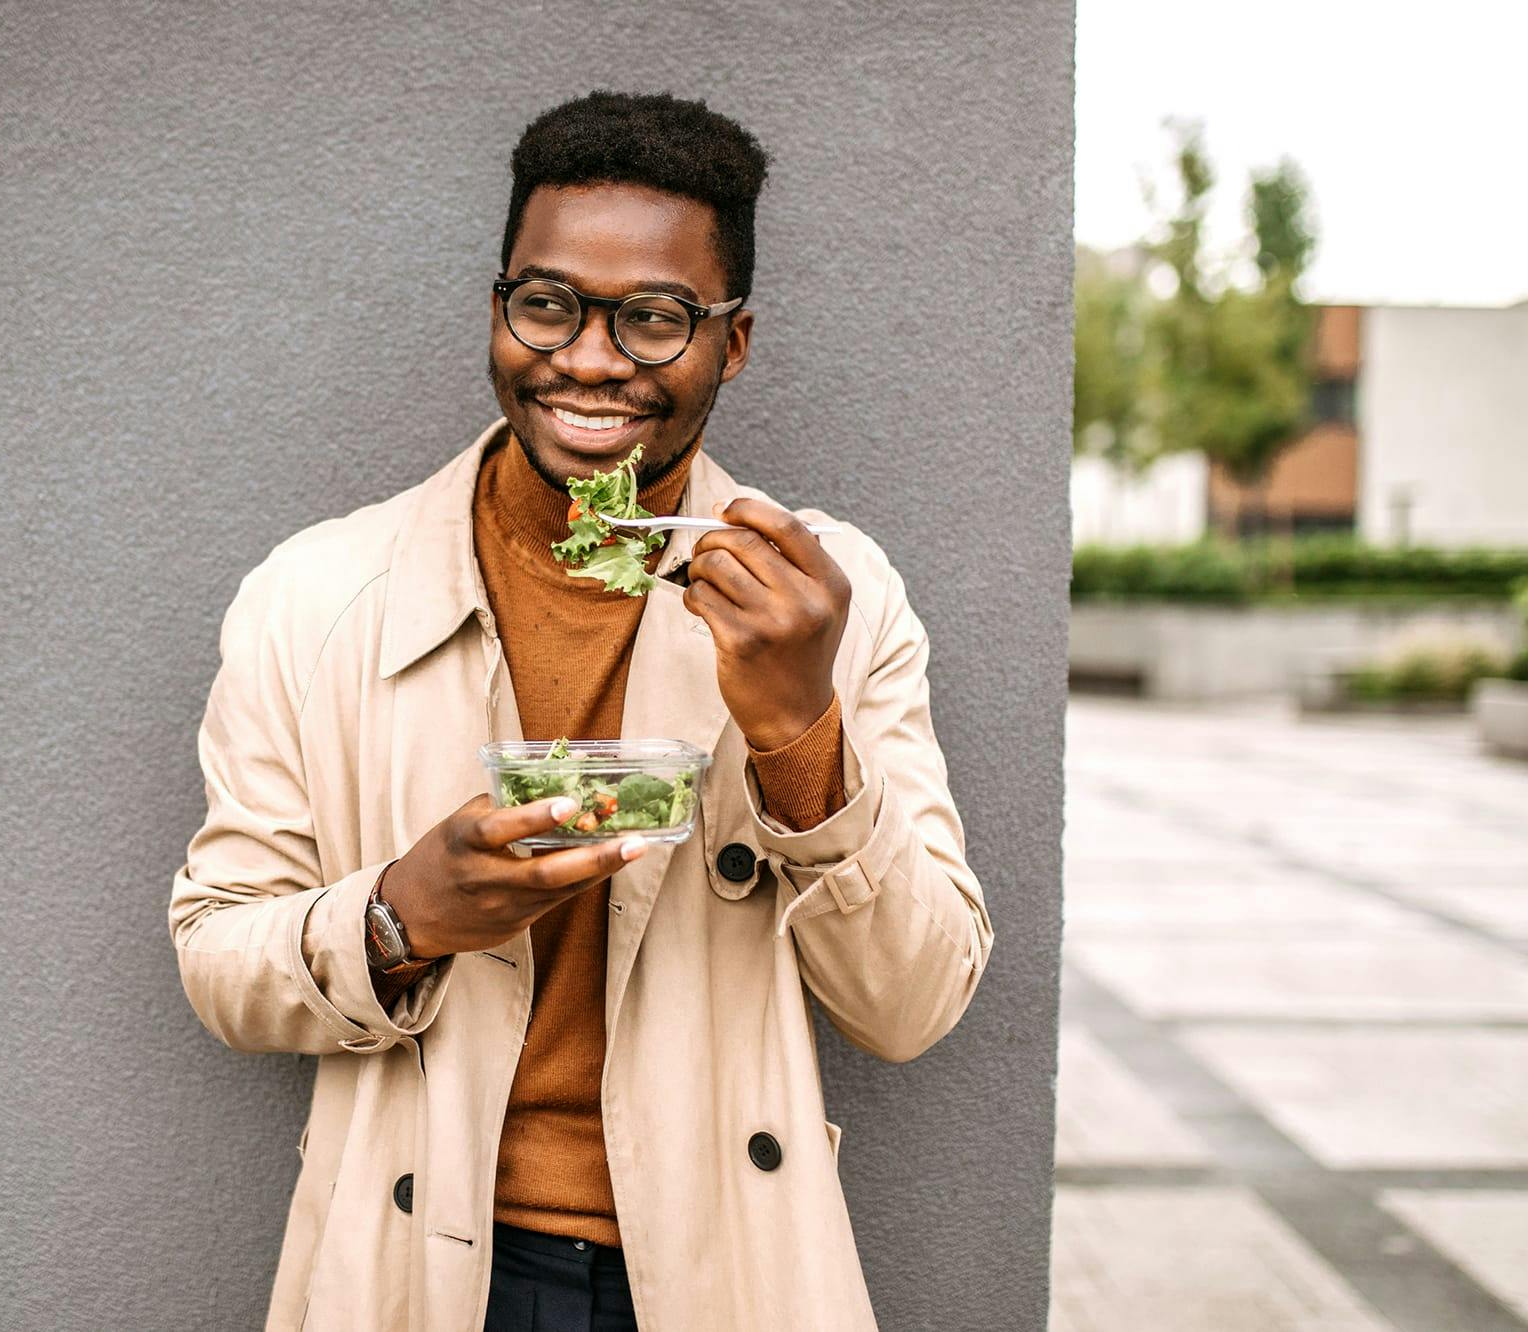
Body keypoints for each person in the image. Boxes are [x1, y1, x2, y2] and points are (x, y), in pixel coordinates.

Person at [169, 90, 994, 1332]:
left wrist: (797, 734)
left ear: (734, 341)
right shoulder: (314, 597)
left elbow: (912, 1005)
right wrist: (401, 916)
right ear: (497, 306)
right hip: (423, 1264)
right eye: (549, 304)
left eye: (655, 318)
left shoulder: (835, 598)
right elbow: (217, 958)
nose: (591, 360)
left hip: (721, 1272)